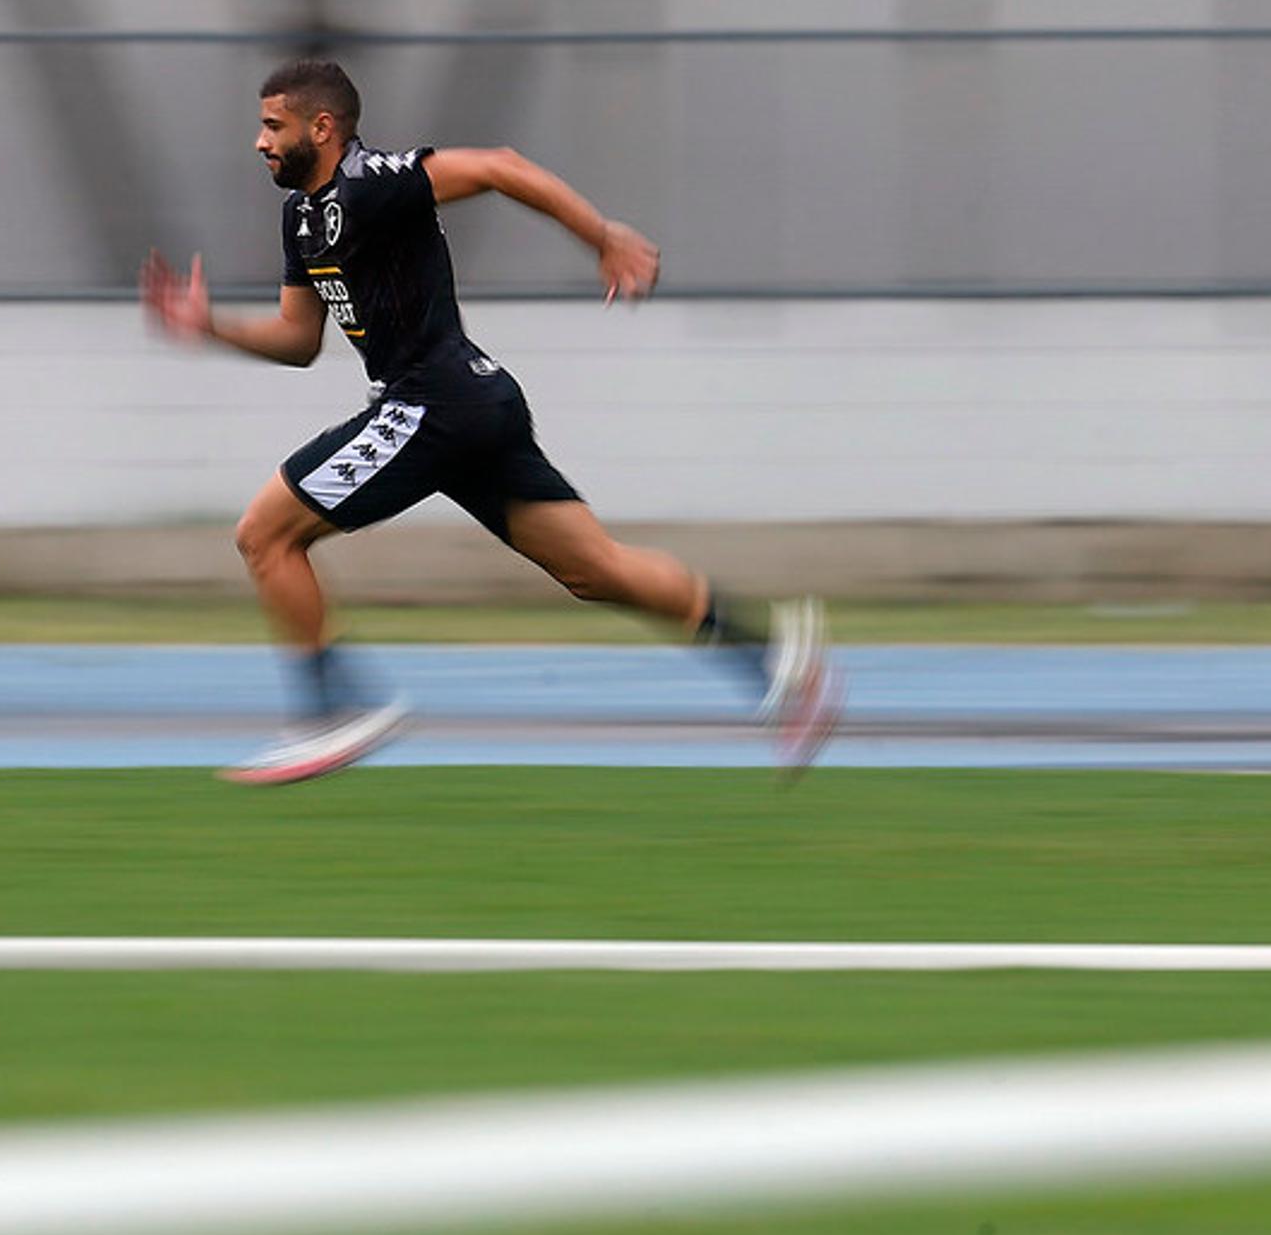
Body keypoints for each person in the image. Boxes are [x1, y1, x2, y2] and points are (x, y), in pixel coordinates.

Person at [141, 58, 837, 784]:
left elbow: (501, 167)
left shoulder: (376, 179)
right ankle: (778, 659)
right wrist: (208, 326)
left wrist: (601, 236)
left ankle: (333, 710)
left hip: (434, 403)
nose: (259, 142)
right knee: (594, 570)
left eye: (272, 126)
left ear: (322, 127)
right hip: (469, 406)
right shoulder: (302, 218)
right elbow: (298, 340)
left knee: (264, 534)